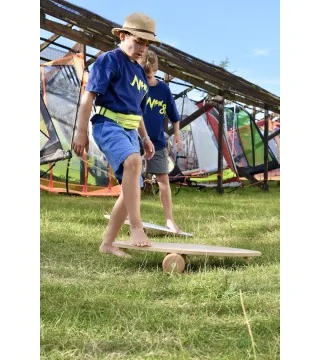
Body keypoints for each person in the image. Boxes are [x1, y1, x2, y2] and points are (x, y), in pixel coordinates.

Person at [72, 13, 161, 258]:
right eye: (138, 41)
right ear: (122, 36)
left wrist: (145, 138)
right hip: (108, 124)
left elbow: (138, 111)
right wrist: (81, 132)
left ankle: (108, 244)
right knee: (133, 162)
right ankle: (136, 227)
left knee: (130, 189)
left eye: (147, 44)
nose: (143, 48)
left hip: (131, 130)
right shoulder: (109, 61)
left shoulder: (141, 73)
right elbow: (87, 97)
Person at [138, 50, 182, 233]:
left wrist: (178, 135)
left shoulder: (163, 89)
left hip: (158, 142)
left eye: (149, 75)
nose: (147, 78)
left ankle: (169, 220)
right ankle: (131, 218)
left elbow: (174, 115)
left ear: (155, 70)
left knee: (163, 181)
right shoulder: (136, 85)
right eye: (144, 75)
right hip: (135, 140)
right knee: (131, 181)